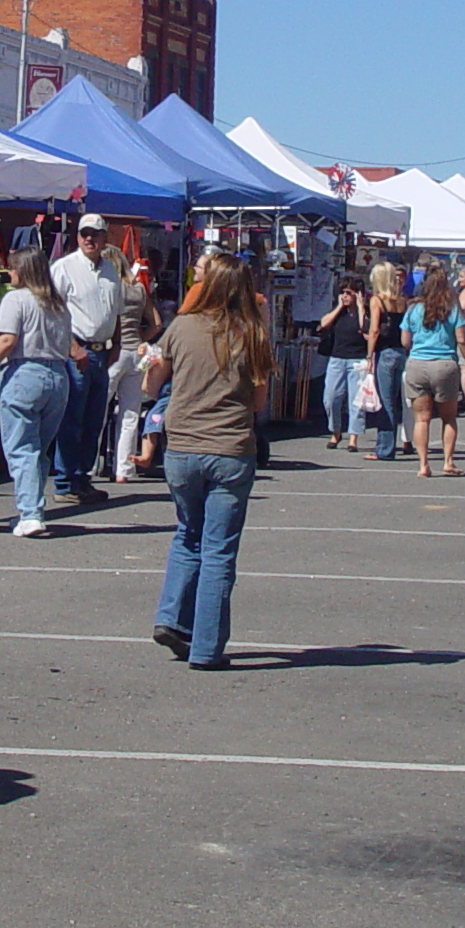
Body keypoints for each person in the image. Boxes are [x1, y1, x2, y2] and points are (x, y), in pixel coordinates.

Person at [146, 253, 274, 670]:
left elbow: (152, 385)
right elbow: (258, 401)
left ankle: (171, 617)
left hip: (182, 445)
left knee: (188, 533)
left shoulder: (181, 327)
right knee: (218, 550)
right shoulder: (252, 332)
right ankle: (205, 648)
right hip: (230, 447)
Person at [0, 246, 78, 537]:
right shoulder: (58, 304)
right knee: (39, 449)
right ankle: (33, 508)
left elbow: (6, 341)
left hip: (25, 373)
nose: (9, 274)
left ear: (23, 271)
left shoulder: (15, 300)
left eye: (12, 269)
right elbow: (68, 346)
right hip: (57, 375)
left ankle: (30, 514)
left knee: (21, 448)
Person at [49, 214, 125, 508]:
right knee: (73, 420)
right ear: (77, 237)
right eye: (84, 234)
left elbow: (116, 312)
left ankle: (82, 479)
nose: (89, 239)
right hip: (77, 351)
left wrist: (117, 343)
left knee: (94, 420)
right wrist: (71, 347)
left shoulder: (110, 271)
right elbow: (54, 312)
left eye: (95, 234)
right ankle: (66, 481)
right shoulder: (64, 268)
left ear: (106, 238)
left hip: (102, 352)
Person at [401, 262, 465, 478]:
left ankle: (423, 464)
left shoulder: (414, 309)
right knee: (449, 417)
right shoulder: (452, 309)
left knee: (421, 418)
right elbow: (462, 340)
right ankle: (448, 461)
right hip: (444, 364)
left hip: (417, 363)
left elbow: (405, 340)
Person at [314, 276, 369, 451]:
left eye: (349, 293)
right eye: (343, 292)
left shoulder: (363, 311)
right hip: (337, 358)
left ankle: (353, 437)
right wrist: (339, 306)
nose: (345, 296)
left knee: (356, 401)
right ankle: (335, 431)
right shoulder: (339, 312)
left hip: (357, 359)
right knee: (331, 397)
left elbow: (365, 328)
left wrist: (360, 308)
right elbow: (323, 324)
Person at [365, 261, 410, 461]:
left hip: (384, 352)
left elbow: (374, 330)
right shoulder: (402, 301)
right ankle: (389, 444)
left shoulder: (377, 300)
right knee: (395, 399)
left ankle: (385, 448)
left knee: (385, 401)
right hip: (400, 351)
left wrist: (369, 355)